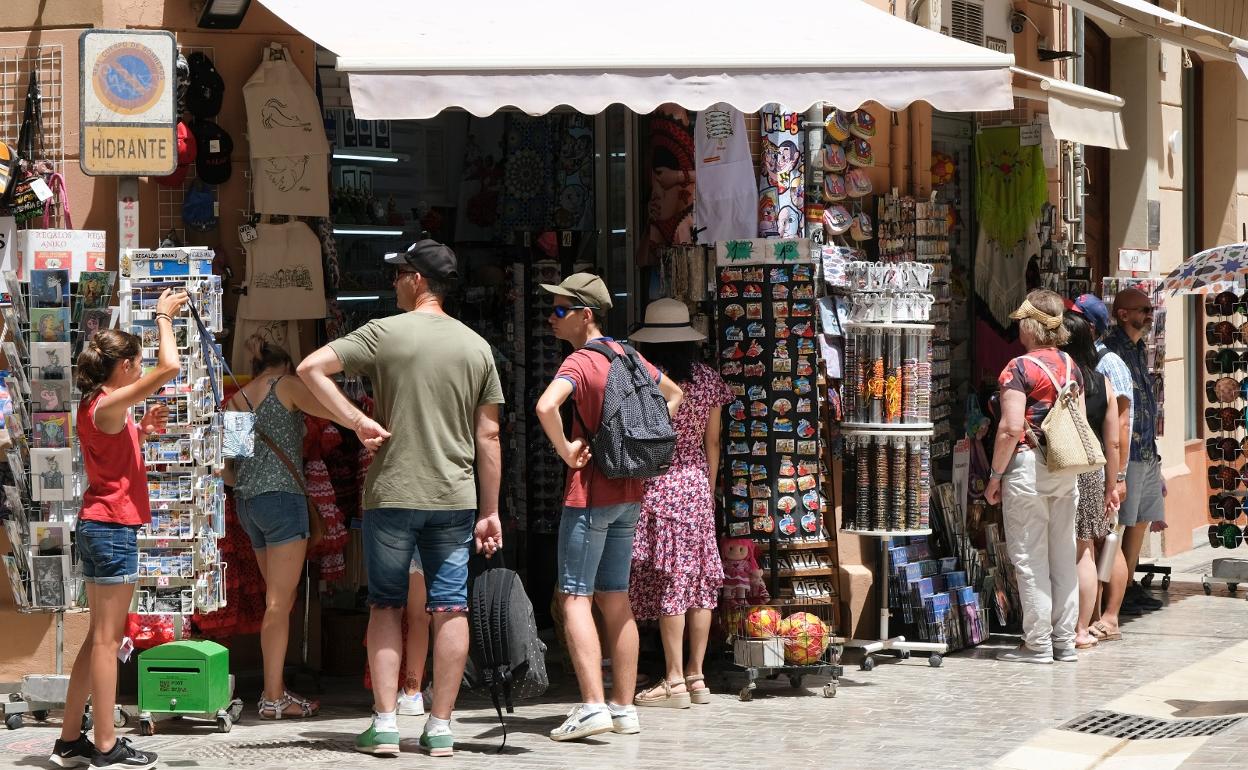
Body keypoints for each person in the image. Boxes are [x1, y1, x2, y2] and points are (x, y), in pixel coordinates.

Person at [297, 238, 504, 758]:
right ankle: (440, 728)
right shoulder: (476, 347)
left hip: (392, 492)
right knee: (450, 607)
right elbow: (490, 438)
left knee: (386, 605)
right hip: (453, 495)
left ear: (417, 281)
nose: (393, 284)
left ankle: (386, 724)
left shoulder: (383, 333)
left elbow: (308, 369)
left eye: (398, 275)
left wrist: (356, 420)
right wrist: (490, 511)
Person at [534, 274, 683, 741]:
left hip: (589, 494)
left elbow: (545, 407)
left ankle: (593, 705)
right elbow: (674, 395)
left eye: (560, 310)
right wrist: (639, 447)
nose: (551, 318)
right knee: (616, 597)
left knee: (575, 596)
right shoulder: (630, 355)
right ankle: (623, 708)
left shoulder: (579, 362)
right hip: (630, 494)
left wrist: (565, 450)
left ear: (586, 314)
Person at [53, 289, 188, 770]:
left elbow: (114, 449)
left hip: (100, 525)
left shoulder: (99, 404)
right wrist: (162, 317)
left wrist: (144, 430)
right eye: (136, 362)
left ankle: (71, 740)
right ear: (125, 365)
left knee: (97, 639)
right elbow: (170, 368)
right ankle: (107, 743)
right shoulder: (108, 403)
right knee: (109, 641)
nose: (141, 368)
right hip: (111, 529)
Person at [224, 341, 349, 719]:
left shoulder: (237, 399)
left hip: (249, 505)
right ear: (287, 364)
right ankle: (273, 696)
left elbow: (229, 471)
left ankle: (276, 690)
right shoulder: (288, 385)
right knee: (280, 603)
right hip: (283, 500)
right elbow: (333, 411)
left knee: (278, 602)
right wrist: (368, 421)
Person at [627, 299, 730, 709]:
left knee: (671, 581)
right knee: (700, 584)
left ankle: (671, 679)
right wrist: (708, 486)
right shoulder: (709, 381)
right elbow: (714, 443)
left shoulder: (647, 380)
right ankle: (697, 677)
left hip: (657, 487)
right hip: (696, 488)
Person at [984, 289, 1086, 664]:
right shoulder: (1070, 366)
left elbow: (1011, 428)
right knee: (1062, 556)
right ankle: (1065, 642)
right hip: (1064, 466)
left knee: (1029, 558)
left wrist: (995, 475)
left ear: (1029, 325)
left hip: (1028, 467)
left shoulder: (1019, 368)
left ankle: (1038, 644)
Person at [1072, 293, 1136, 638]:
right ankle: (1094, 615)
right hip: (1097, 463)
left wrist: (1119, 476)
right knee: (1095, 540)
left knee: (1107, 539)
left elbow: (1121, 424)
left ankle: (1110, 616)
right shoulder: (1085, 361)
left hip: (1106, 464)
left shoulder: (1107, 364)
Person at [1059, 308, 1122, 651]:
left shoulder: (1066, 381)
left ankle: (1060, 625)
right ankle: (1081, 629)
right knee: (1085, 549)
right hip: (1094, 469)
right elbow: (1112, 441)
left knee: (1059, 547)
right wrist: (1112, 485)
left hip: (1066, 467)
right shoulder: (1104, 382)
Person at [1101, 288, 1166, 614]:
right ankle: (1116, 592)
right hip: (1129, 452)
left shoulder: (1139, 349)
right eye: (1143, 309)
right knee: (1121, 523)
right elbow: (1120, 411)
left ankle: (1128, 583)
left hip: (1146, 450)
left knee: (1140, 520)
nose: (1150, 314)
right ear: (1123, 314)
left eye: (1151, 308)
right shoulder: (1112, 351)